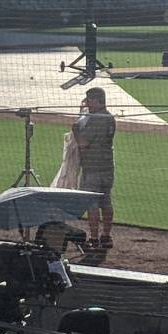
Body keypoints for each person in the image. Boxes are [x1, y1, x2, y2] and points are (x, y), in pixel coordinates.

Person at [67, 85, 117, 255]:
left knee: (92, 204)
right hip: (108, 167)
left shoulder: (95, 119)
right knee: (106, 202)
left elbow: (83, 143)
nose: (87, 103)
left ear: (98, 101)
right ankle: (106, 236)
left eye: (89, 100)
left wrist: (75, 130)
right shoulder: (109, 118)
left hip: (92, 168)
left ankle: (94, 238)